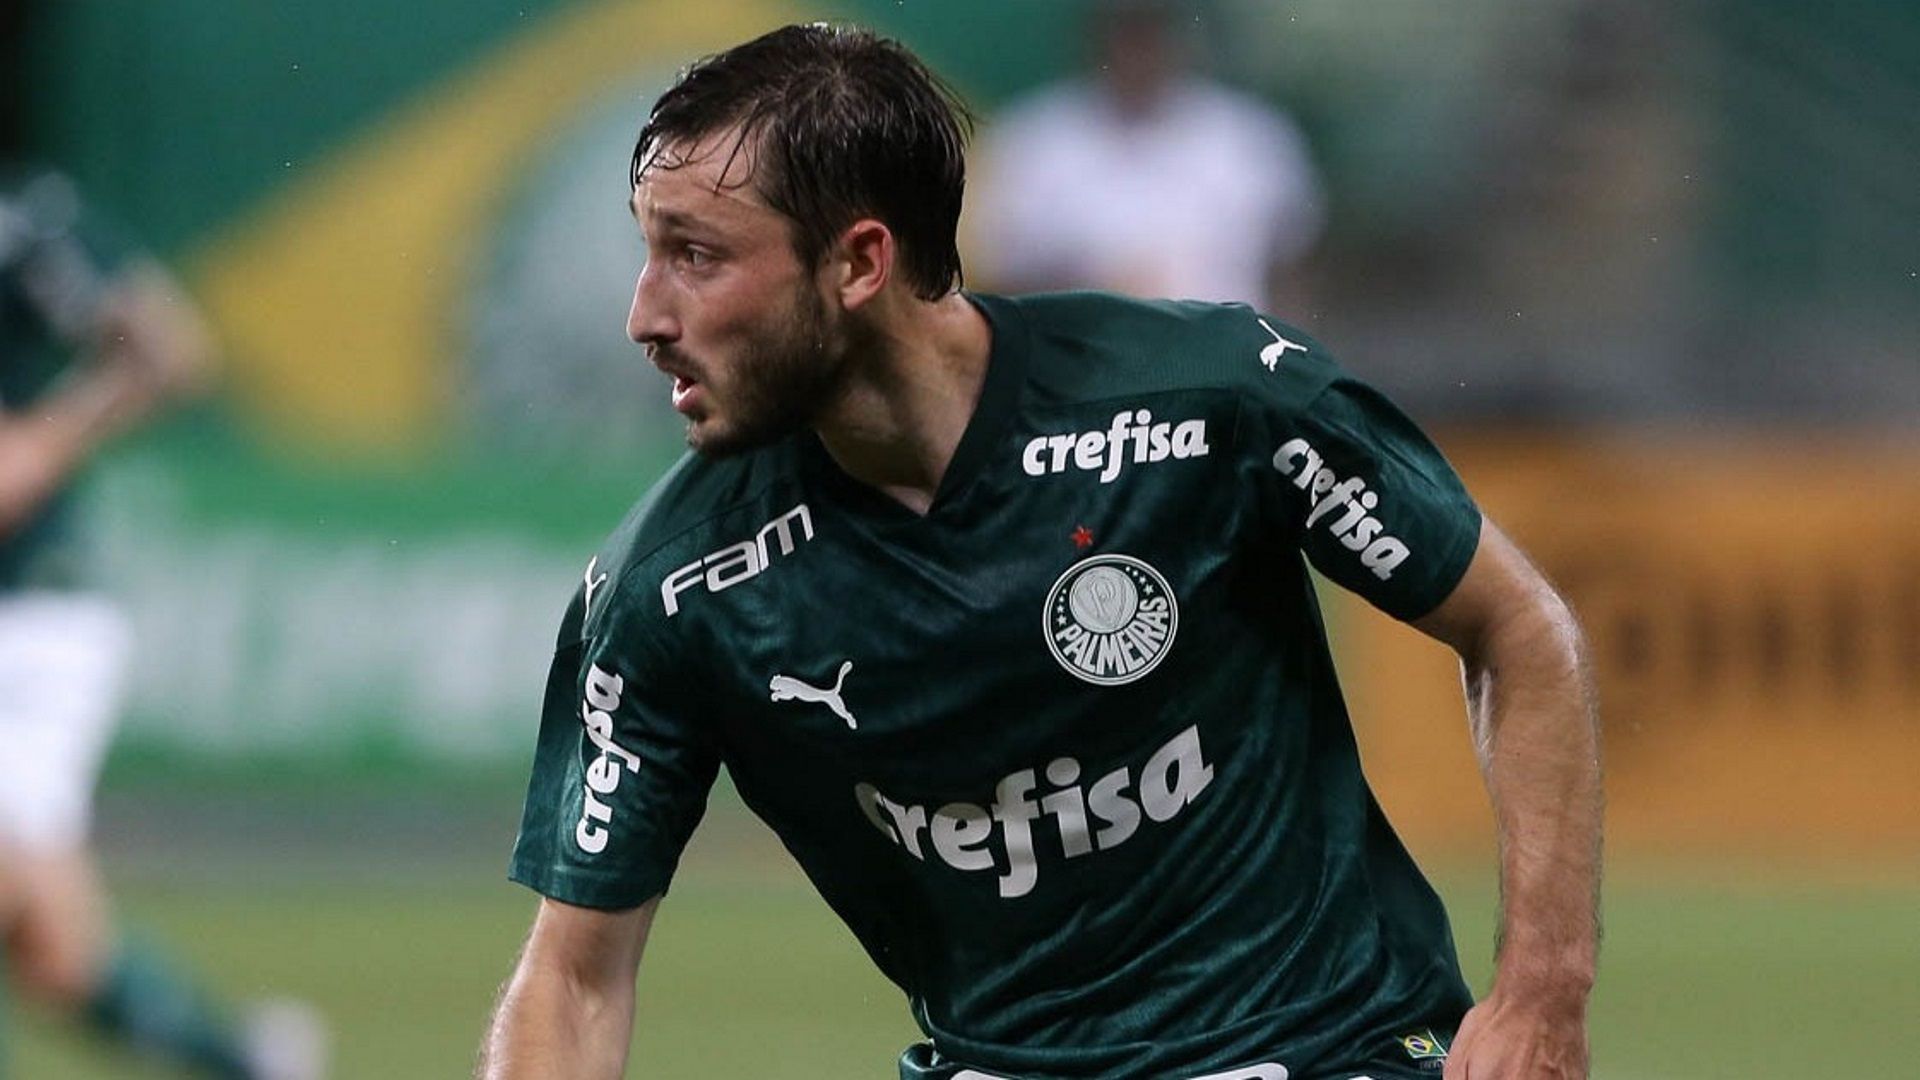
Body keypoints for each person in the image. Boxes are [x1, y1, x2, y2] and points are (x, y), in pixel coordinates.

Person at [481, 23, 1599, 1080]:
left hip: (1321, 1046)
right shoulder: (672, 588)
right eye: (649, 252)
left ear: (859, 262)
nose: (644, 313)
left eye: (696, 255)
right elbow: (572, 984)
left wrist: (1540, 994)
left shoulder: (1213, 400)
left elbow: (1518, 629)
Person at [0, 162, 326, 1079]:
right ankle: (249, 1061)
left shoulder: (25, 224)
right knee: (61, 961)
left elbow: (169, 349)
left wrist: (45, 438)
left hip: (29, 619)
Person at [971, 0, 1324, 310]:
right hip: (1081, 369)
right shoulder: (1033, 139)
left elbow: (1292, 269)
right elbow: (996, 280)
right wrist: (1093, 284)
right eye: (1127, 31)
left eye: (1152, 30)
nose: (1138, 49)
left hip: (1230, 368)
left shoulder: (1251, 136)